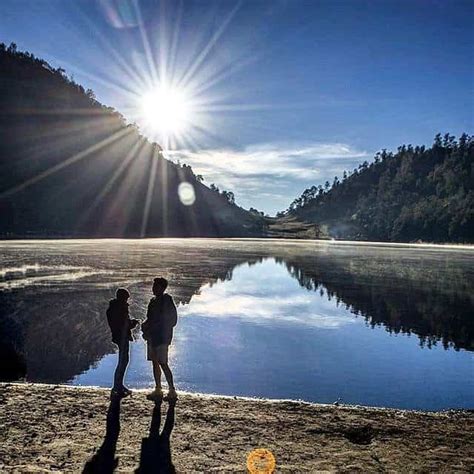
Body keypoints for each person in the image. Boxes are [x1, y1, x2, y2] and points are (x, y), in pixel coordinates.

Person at [142, 277, 178, 401]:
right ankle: (158, 389)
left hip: (162, 338)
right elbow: (150, 318)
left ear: (162, 288)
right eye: (153, 286)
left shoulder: (167, 300)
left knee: (163, 363)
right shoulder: (152, 301)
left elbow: (172, 320)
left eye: (156, 286)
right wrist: (145, 326)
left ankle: (172, 390)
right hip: (152, 337)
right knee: (155, 363)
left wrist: (157, 326)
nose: (153, 288)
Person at [106, 288, 138, 398]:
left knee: (122, 361)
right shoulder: (121, 308)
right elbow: (124, 324)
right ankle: (117, 386)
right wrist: (133, 324)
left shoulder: (112, 308)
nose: (127, 301)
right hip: (122, 337)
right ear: (123, 298)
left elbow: (118, 323)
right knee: (123, 361)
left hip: (118, 336)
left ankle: (119, 385)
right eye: (126, 298)